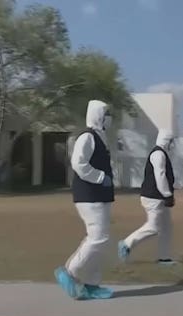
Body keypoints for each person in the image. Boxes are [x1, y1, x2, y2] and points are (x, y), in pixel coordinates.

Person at [54, 100, 115, 300]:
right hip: (89, 195)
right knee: (98, 238)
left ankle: (92, 285)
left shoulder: (100, 137)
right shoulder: (87, 137)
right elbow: (78, 163)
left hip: (100, 195)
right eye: (106, 114)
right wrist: (100, 177)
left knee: (101, 239)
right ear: (98, 115)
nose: (109, 118)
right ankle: (69, 272)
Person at [118, 129, 177, 265]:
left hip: (158, 197)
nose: (172, 144)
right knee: (154, 227)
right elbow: (160, 176)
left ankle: (164, 257)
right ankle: (126, 244)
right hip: (153, 197)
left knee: (167, 227)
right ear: (166, 140)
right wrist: (167, 194)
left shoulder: (162, 154)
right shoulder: (158, 154)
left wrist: (167, 195)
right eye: (171, 141)